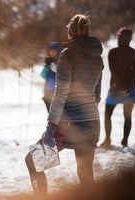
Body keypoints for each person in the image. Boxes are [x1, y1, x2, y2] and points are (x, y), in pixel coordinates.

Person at [25, 14, 104, 197]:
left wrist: (51, 126)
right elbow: (97, 96)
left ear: (71, 31)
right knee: (86, 175)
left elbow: (61, 94)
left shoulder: (67, 55)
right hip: (92, 122)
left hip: (68, 124)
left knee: (32, 161)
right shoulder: (98, 58)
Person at [100, 27, 135, 148]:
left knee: (108, 114)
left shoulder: (113, 52)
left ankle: (108, 139)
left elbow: (114, 71)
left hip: (115, 88)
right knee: (127, 116)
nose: (119, 39)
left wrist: (121, 87)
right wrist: (127, 87)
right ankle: (125, 141)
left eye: (120, 36)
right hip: (130, 88)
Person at [41, 42, 62, 111]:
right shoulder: (48, 61)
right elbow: (43, 75)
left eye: (54, 51)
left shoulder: (61, 61)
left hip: (57, 92)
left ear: (58, 51)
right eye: (50, 51)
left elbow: (60, 74)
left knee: (56, 113)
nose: (52, 53)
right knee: (50, 112)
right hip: (48, 91)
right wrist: (46, 66)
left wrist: (53, 65)